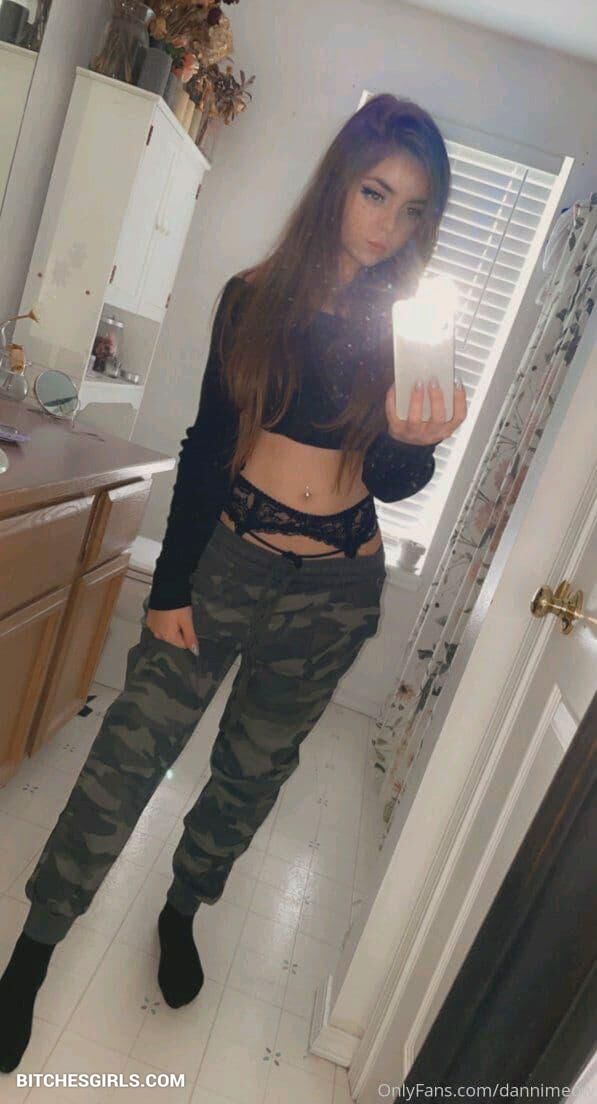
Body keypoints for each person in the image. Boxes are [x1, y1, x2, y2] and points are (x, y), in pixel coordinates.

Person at [0, 92, 467, 1072]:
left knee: (252, 773)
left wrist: (419, 443)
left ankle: (182, 907)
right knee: (128, 754)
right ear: (338, 185)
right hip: (226, 560)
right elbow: (210, 446)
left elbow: (389, 480)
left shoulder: (404, 332)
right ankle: (32, 955)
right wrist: (170, 585)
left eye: (412, 209)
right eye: (374, 192)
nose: (387, 224)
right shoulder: (253, 301)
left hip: (335, 588)